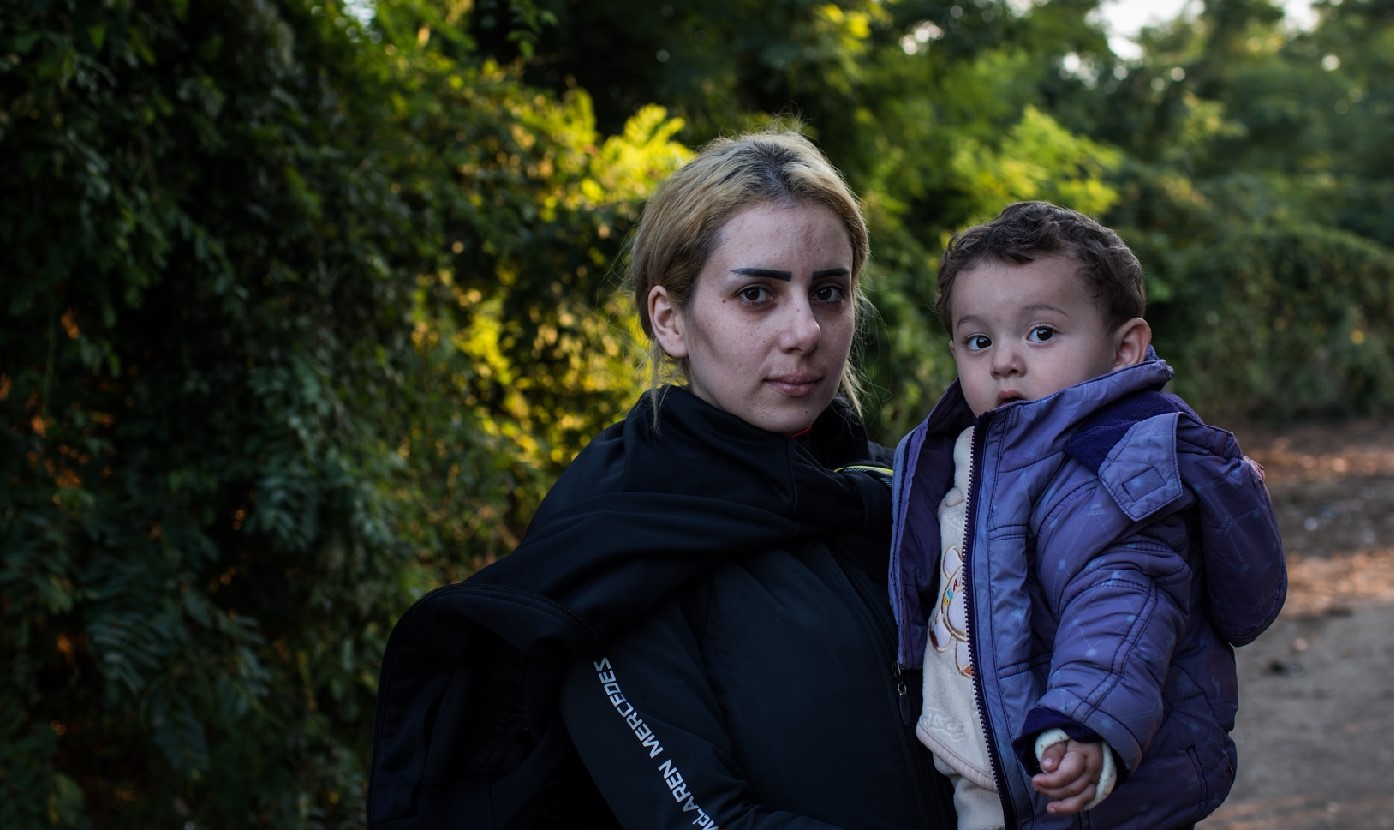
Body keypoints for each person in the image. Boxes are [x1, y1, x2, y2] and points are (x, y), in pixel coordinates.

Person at [368, 130, 955, 829]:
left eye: (829, 292)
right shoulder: (619, 540)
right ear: (670, 320)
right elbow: (700, 819)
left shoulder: (906, 491)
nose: (805, 330)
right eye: (757, 295)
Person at [888, 201, 1288, 829]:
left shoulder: (1112, 470)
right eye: (978, 341)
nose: (1003, 360)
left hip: (1072, 779)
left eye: (1040, 333)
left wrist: (1083, 720)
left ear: (1124, 349)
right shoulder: (965, 454)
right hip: (985, 783)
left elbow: (1126, 602)